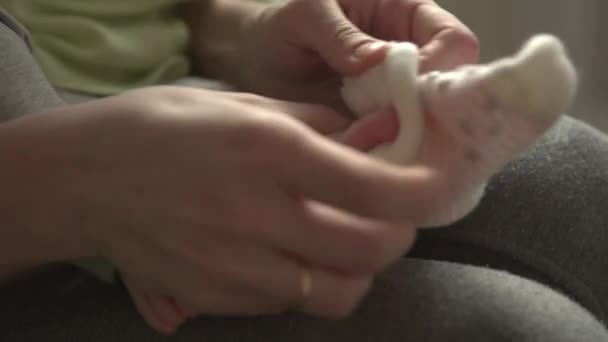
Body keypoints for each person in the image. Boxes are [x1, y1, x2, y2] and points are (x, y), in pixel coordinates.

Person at [0, 1, 607, 341]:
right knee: (513, 333)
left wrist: (251, 33)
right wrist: (73, 181)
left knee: (584, 185)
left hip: (168, 111)